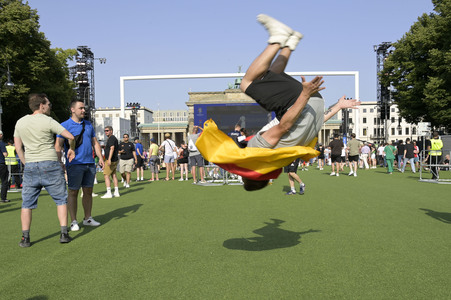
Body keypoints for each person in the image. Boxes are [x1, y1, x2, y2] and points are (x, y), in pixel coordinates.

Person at [233, 14, 359, 190]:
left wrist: (337, 106)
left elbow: (315, 124)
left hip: (313, 105)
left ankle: (289, 43)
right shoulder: (258, 152)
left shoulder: (282, 158)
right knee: (247, 84)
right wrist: (304, 95)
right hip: (301, 102)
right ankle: (277, 39)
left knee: (272, 75)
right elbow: (283, 126)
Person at [14, 93, 75, 247]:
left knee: (27, 203)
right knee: (61, 200)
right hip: (50, 164)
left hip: (31, 165)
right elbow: (70, 136)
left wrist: (26, 163)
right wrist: (71, 150)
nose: (49, 107)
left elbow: (18, 147)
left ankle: (25, 238)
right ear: (41, 105)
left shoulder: (20, 122)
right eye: (48, 104)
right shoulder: (48, 121)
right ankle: (63, 234)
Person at [55, 99, 104, 231]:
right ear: (72, 109)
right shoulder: (64, 125)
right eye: (81, 108)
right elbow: (58, 145)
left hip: (89, 163)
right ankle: (73, 221)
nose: (84, 110)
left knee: (88, 191)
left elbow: (95, 143)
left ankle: (88, 218)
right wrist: (59, 162)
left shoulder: (88, 124)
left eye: (84, 108)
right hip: (75, 164)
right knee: (73, 192)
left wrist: (100, 157)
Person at [101, 126, 120, 198]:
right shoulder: (112, 138)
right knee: (114, 175)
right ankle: (116, 191)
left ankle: (109, 192)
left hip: (111, 160)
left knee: (106, 175)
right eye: (105, 131)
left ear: (111, 131)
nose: (106, 132)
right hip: (114, 159)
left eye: (107, 130)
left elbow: (112, 148)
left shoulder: (112, 138)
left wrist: (109, 159)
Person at [0, 133, 9, 202]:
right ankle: (3, 198)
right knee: (4, 181)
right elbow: (5, 154)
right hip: (1, 164)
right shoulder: (1, 143)